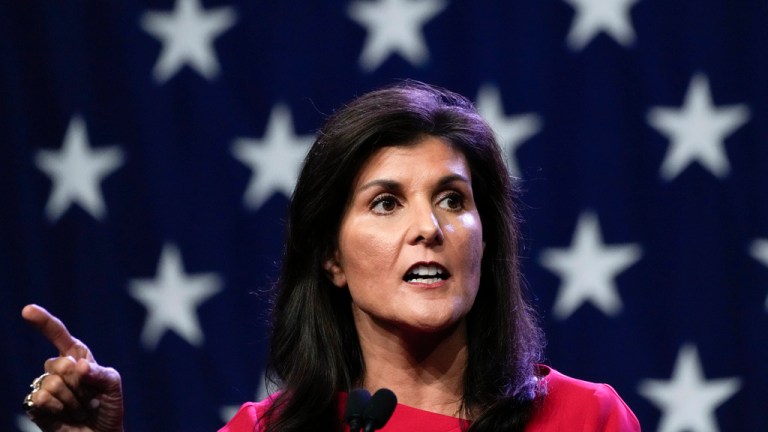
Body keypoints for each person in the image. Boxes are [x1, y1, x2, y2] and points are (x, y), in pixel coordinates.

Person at [21, 81, 640, 432]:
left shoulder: (586, 418)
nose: (429, 228)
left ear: (487, 238)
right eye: (386, 203)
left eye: (452, 199)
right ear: (331, 258)